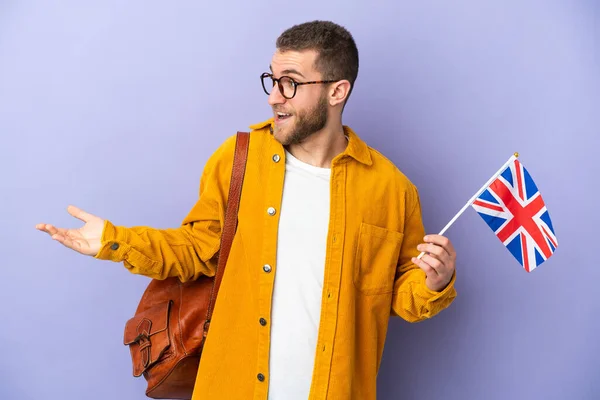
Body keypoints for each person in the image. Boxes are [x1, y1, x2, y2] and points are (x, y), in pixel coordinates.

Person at [36, 20, 457, 400]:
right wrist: (114, 239)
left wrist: (435, 282)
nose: (274, 97)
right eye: (272, 81)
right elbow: (195, 249)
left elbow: (402, 296)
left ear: (337, 90)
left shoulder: (393, 189)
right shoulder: (239, 159)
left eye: (290, 83)